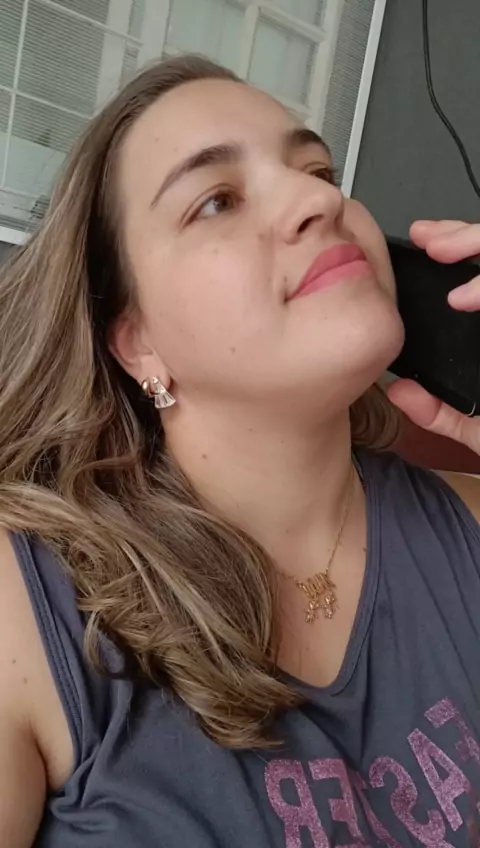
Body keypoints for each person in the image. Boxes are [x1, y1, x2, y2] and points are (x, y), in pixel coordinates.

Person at [0, 54, 479, 848]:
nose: (319, 200)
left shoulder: (467, 521)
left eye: (318, 170)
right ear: (137, 341)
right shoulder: (23, 608)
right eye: (216, 200)